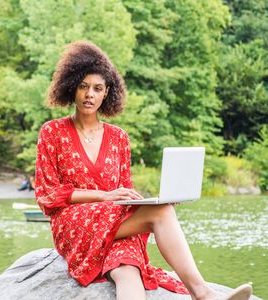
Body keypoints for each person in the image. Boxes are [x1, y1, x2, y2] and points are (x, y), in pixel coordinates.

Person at [34, 41, 252, 300]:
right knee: (161, 213)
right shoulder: (53, 132)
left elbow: (124, 192)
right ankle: (203, 294)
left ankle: (202, 293)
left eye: (97, 88)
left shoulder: (119, 138)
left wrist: (147, 201)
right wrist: (102, 196)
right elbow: (48, 195)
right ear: (72, 88)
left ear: (107, 93)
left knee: (128, 267)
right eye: (83, 87)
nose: (89, 95)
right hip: (73, 224)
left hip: (114, 222)